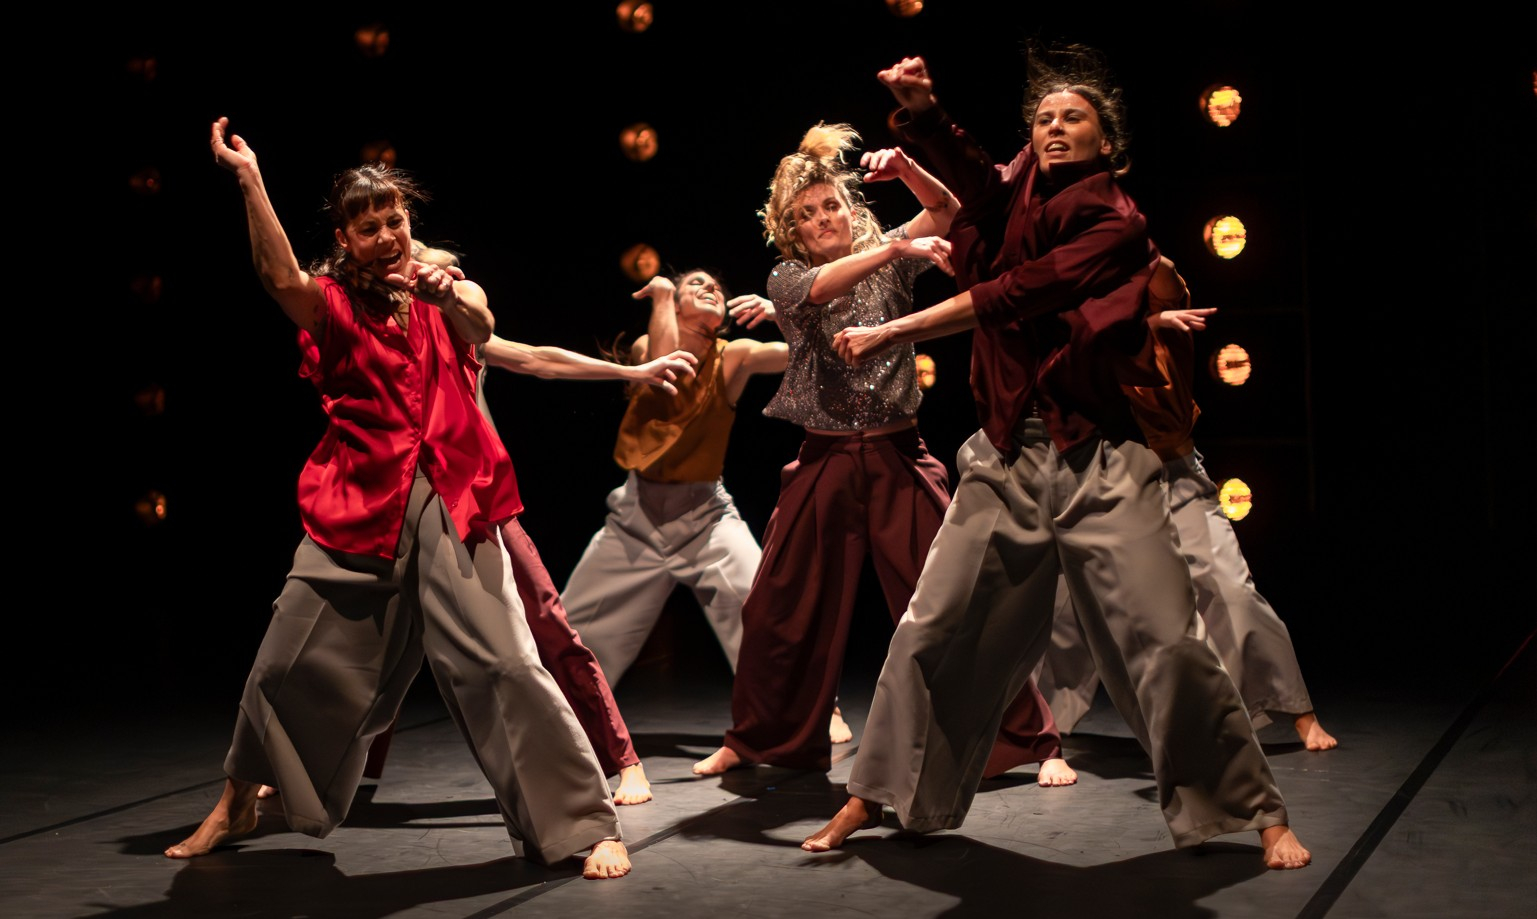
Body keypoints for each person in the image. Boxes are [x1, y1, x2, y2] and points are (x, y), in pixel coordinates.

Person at [802, 49, 1310, 870]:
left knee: (1168, 642)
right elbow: (979, 188)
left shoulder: (1118, 223)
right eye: (1041, 119)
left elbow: (1014, 293)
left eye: (1072, 117)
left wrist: (896, 330)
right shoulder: (1014, 200)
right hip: (1006, 458)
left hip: (1101, 459)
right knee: (932, 627)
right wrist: (925, 112)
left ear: (1107, 139)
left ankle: (1253, 808)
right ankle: (878, 791)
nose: (1053, 128)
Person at [167, 118, 629, 879]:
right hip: (356, 499)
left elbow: (483, 325)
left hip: (452, 494)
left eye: (395, 221)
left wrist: (450, 299)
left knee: (504, 662)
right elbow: (279, 278)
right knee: (283, 658)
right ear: (346, 238)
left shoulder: (447, 285)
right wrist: (251, 180)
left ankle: (582, 823)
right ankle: (240, 795)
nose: (386, 234)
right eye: (369, 225)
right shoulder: (332, 304)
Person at [692, 123, 1074, 787]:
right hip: (823, 461)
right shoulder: (786, 277)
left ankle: (1026, 737)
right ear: (791, 229)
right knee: (776, 607)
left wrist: (907, 172)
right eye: (806, 214)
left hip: (899, 455)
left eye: (830, 205)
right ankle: (755, 737)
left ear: (849, 208)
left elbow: (952, 212)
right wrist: (900, 243)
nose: (821, 219)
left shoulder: (893, 250)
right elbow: (821, 289)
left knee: (957, 598)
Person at [1036, 259, 1338, 751]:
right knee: (1069, 605)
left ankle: (1298, 713)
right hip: (1101, 473)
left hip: (1174, 469)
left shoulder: (1158, 293)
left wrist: (1132, 246)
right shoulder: (1079, 313)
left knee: (1229, 588)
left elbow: (1165, 279)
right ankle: (1047, 733)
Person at [558, 268, 791, 707]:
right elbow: (664, 373)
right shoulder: (648, 346)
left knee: (762, 609)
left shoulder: (734, 354)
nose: (710, 288)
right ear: (676, 306)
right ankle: (570, 719)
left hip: (704, 514)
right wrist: (662, 294)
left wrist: (783, 314)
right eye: (694, 285)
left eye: (717, 288)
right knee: (579, 623)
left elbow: (802, 353)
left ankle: (803, 712)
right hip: (636, 516)